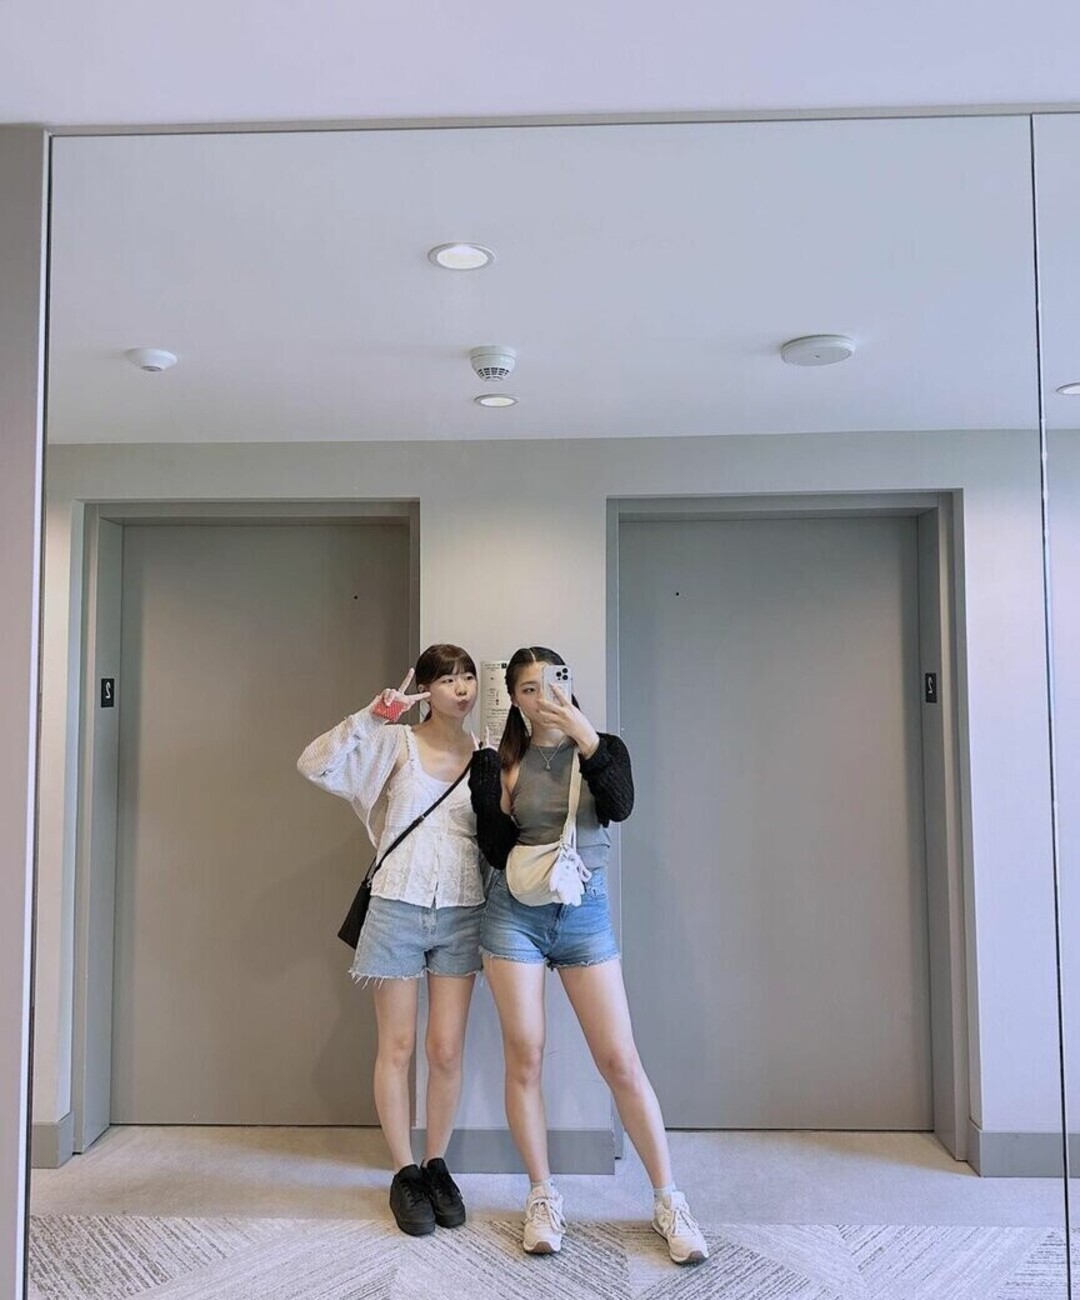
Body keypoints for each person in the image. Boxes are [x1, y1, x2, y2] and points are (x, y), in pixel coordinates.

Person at [469, 646, 709, 1265]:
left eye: (551, 683)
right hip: (514, 913)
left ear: (568, 684)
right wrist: (493, 789)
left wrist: (586, 738)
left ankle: (669, 1200)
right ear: (514, 699)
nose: (541, 696)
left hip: (584, 913)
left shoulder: (605, 747)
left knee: (620, 1059)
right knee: (525, 1054)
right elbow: (495, 849)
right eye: (527, 689)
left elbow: (620, 806)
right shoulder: (502, 760)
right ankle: (542, 1196)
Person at [297, 645, 484, 1238]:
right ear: (426, 689)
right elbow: (314, 765)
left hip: (462, 911)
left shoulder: (485, 753)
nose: (461, 688)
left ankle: (436, 1166)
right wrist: (372, 716)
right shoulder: (395, 743)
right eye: (447, 679)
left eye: (467, 677)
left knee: (446, 1050)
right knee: (397, 1047)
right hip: (396, 906)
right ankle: (404, 1172)